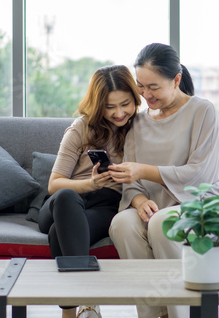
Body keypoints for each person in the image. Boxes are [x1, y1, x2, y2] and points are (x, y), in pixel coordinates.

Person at [108, 43, 219, 318]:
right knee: (121, 224)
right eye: (141, 86)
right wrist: (138, 201)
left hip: (197, 204)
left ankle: (182, 312)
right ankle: (152, 313)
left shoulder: (203, 112)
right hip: (154, 205)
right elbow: (129, 179)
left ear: (176, 80)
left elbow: (199, 174)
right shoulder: (137, 122)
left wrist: (143, 171)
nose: (146, 94)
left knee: (163, 223)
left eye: (154, 87)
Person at [38, 65, 141, 318]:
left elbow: (175, 149)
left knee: (57, 233)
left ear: (135, 99)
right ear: (98, 104)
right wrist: (90, 184)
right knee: (65, 198)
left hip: (107, 205)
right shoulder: (80, 128)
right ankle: (87, 299)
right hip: (66, 200)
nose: (119, 113)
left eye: (125, 104)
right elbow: (55, 183)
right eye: (109, 107)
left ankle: (72, 312)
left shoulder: (142, 126)